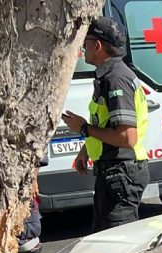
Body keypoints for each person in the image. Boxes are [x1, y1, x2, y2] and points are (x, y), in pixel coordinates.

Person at [61, 17, 149, 232]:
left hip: (121, 174)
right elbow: (106, 123)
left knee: (118, 248)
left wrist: (83, 128)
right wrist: (86, 150)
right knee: (103, 244)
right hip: (113, 172)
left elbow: (128, 137)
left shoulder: (115, 79)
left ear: (98, 45)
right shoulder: (108, 76)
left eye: (86, 42)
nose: (83, 47)